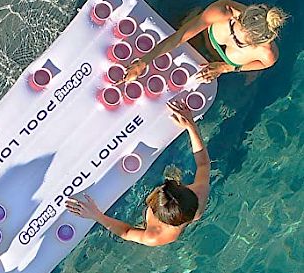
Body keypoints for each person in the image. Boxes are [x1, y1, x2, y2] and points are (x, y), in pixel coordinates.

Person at [66, 100, 210, 246]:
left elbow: (127, 232)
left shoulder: (156, 236)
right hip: (181, 211)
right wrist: (191, 126)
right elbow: (203, 163)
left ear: (155, 212)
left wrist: (96, 215)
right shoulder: (199, 193)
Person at [123, 1, 288, 83]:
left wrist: (227, 68)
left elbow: (265, 64)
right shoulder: (224, 10)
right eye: (233, 28)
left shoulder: (267, 53)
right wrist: (144, 61)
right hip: (202, 36)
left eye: (239, 42)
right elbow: (180, 37)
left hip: (221, 64)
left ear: (257, 43)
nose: (233, 36)